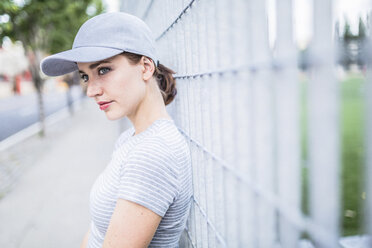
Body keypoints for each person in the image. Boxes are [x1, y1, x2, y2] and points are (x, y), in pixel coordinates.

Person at [40, 12, 193, 248]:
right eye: (85, 76)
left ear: (145, 67)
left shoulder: (153, 154)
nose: (91, 91)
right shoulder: (132, 138)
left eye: (103, 70)